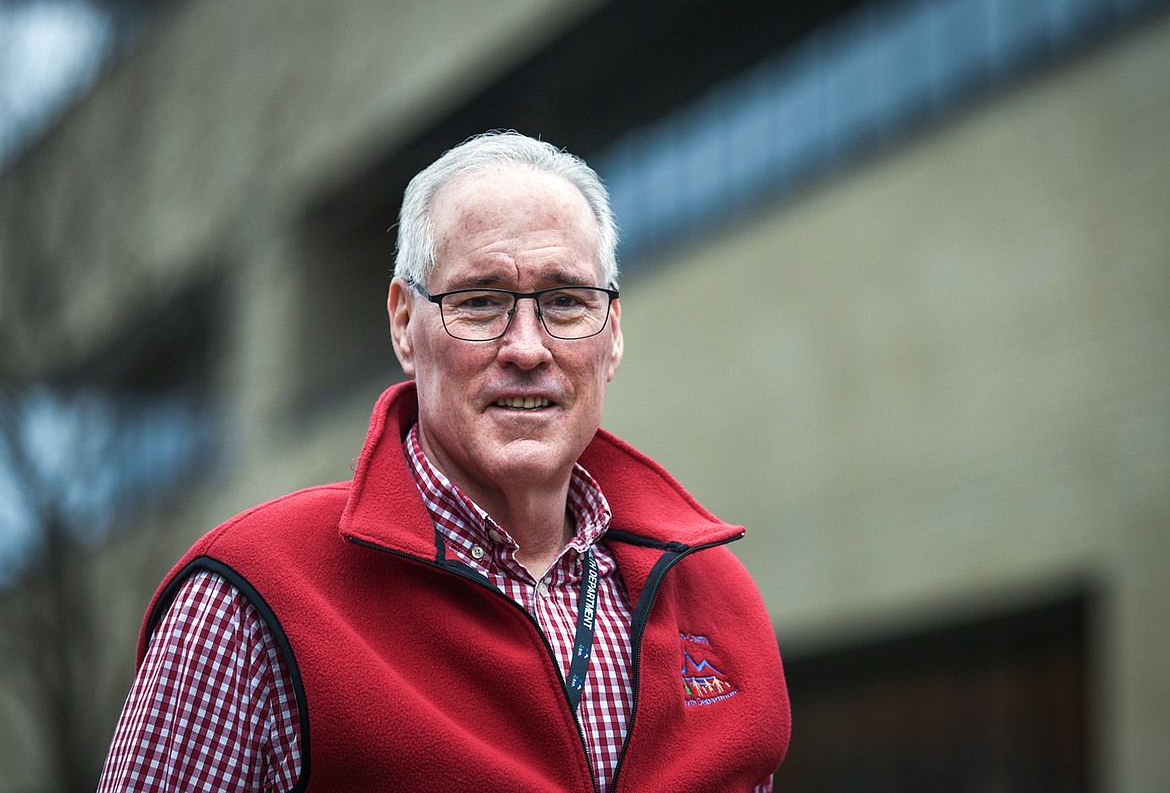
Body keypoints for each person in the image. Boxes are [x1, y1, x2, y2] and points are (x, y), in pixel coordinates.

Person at [99, 130, 790, 791]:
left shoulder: (720, 599)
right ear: (405, 324)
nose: (526, 348)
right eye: (481, 302)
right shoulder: (252, 599)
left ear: (611, 336)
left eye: (566, 302)